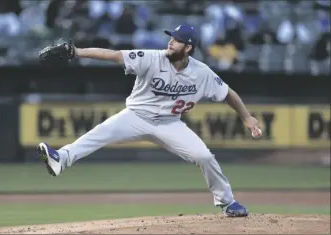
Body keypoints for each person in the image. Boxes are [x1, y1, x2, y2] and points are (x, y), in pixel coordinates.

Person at [38, 25, 262, 217]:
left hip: (170, 124)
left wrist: (247, 117)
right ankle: (61, 159)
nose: (171, 42)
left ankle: (228, 203)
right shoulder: (152, 58)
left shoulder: (201, 73)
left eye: (177, 40)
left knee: (204, 156)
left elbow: (228, 93)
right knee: (99, 133)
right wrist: (76, 51)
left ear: (189, 48)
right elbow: (115, 55)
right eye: (171, 38)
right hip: (136, 116)